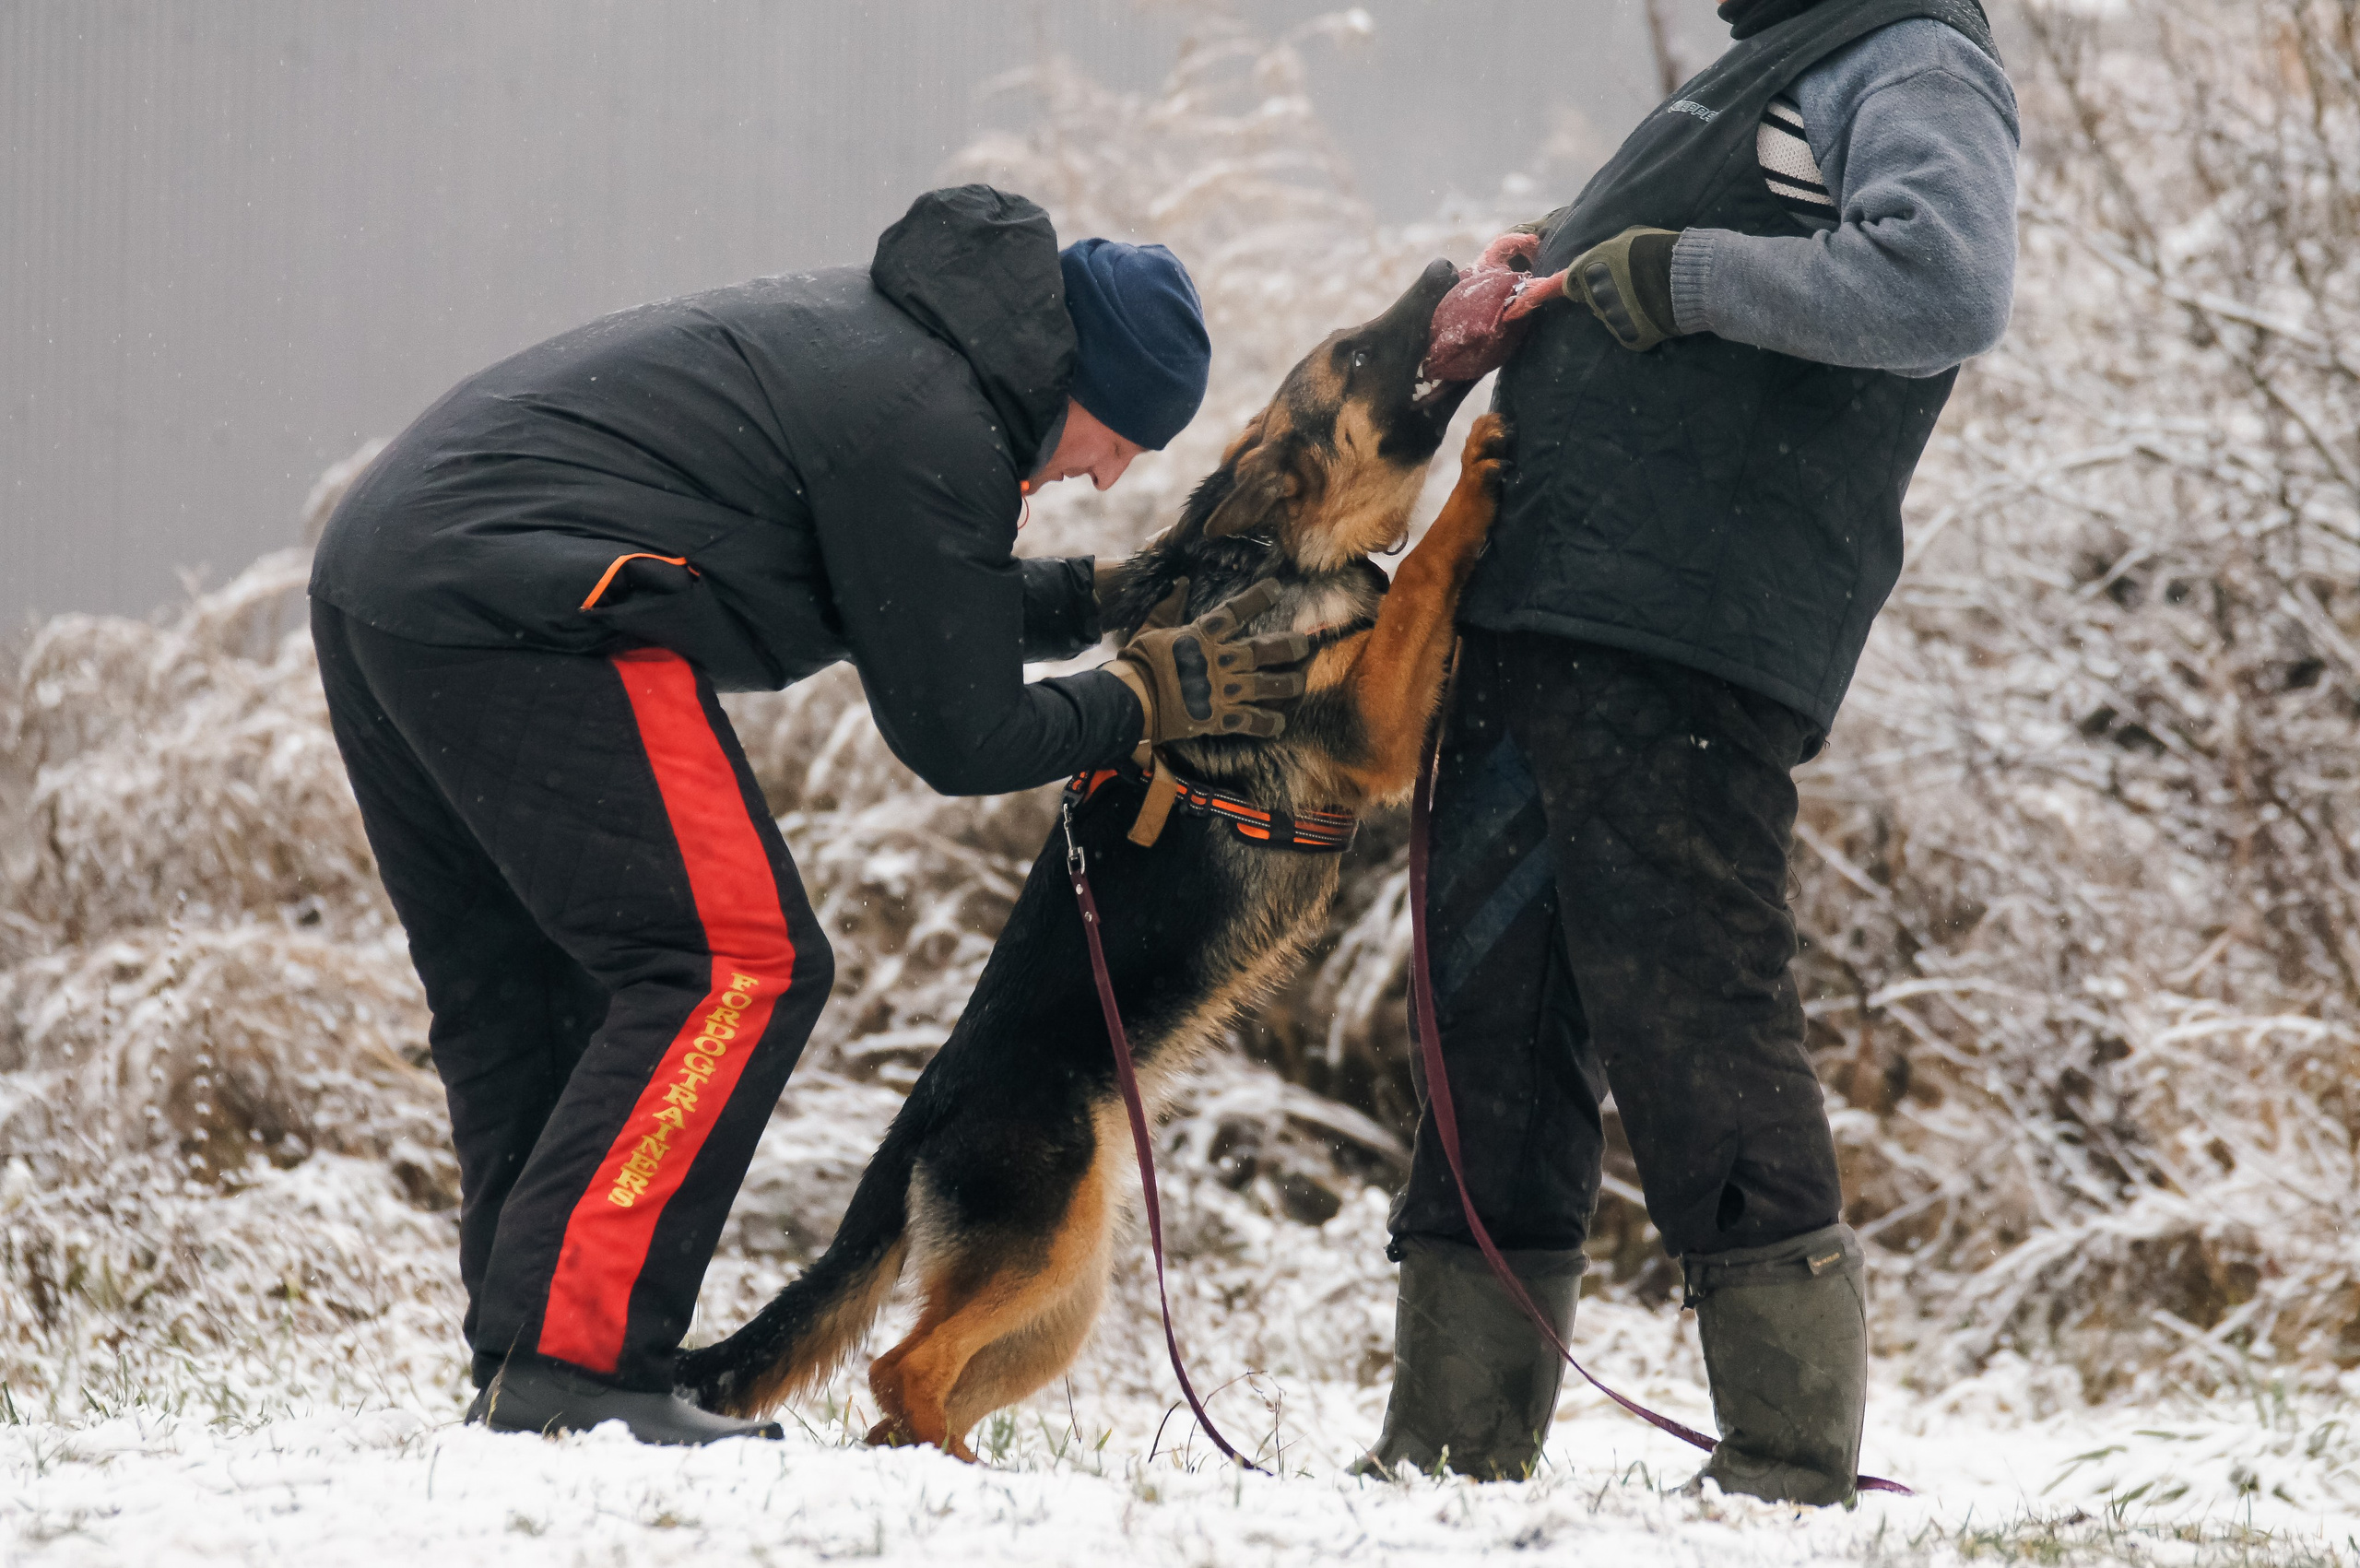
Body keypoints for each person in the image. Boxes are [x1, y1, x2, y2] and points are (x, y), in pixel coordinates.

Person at [309, 185, 1305, 1444]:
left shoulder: (898, 362)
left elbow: (914, 593)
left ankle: (537, 1358)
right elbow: (964, 734)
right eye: (1126, 437)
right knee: (742, 961)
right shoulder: (934, 422)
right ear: (1081, 375)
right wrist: (1145, 699)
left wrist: (1098, 599)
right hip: (532, 609)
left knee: (532, 983)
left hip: (394, 580)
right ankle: (576, 1360)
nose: (1113, 470)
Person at [1359, 0, 2018, 1502]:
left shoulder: (1912, 59)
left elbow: (1946, 280)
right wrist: (1547, 271)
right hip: (1540, 612)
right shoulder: (1751, 73)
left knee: (1693, 1011)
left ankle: (1786, 1458)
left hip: (1688, 634)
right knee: (1485, 1019)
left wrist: (1677, 272)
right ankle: (1453, 1444)